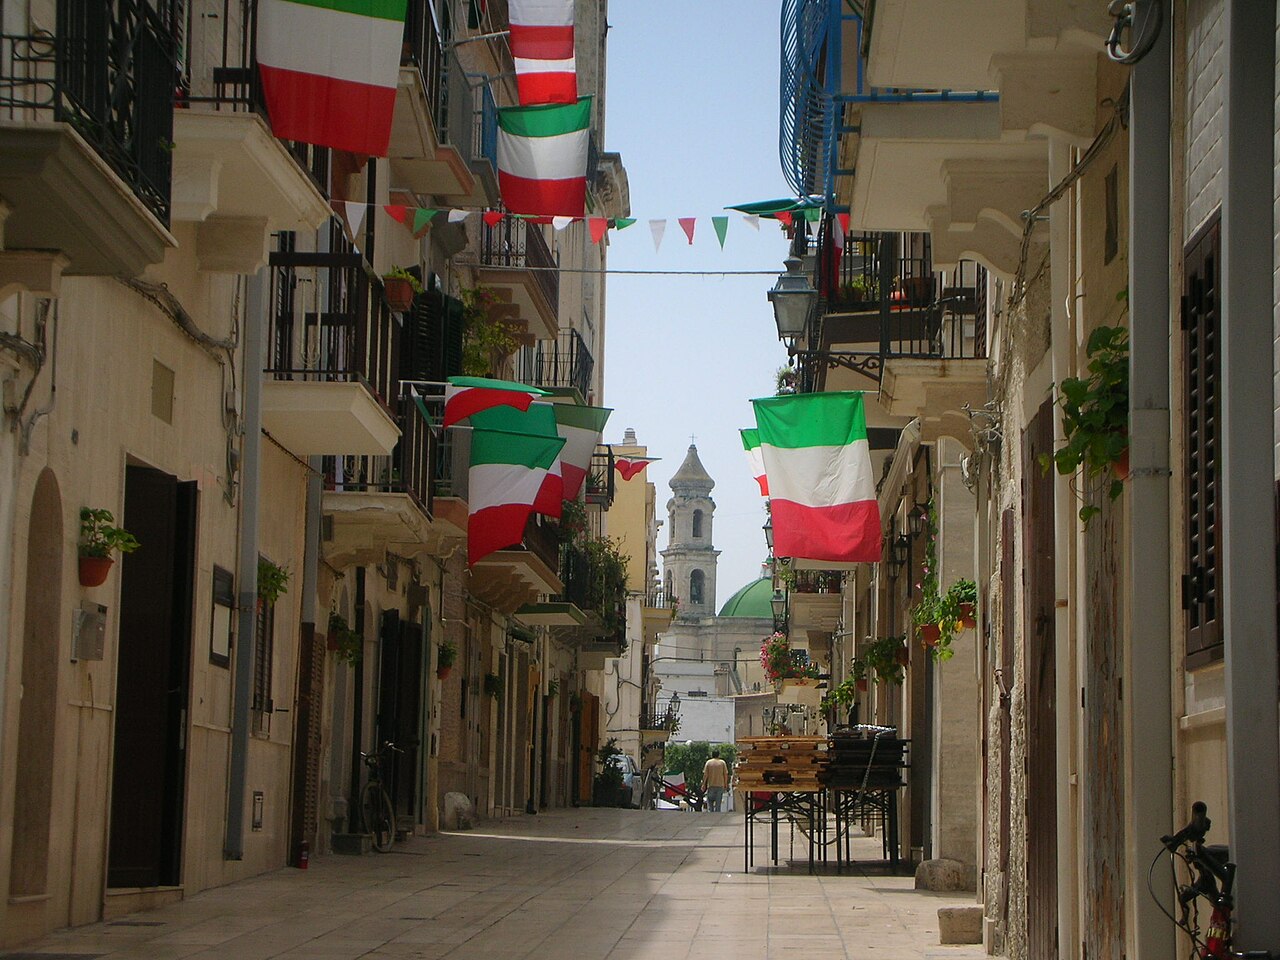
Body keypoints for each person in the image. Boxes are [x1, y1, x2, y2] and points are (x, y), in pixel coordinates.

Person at [702, 748, 730, 812]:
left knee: (710, 803)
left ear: (712, 755)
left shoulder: (708, 763)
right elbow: (725, 774)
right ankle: (717, 817)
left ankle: (711, 816)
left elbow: (705, 775)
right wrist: (726, 784)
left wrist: (703, 784)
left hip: (711, 785)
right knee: (718, 805)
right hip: (720, 785)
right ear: (718, 755)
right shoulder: (722, 763)